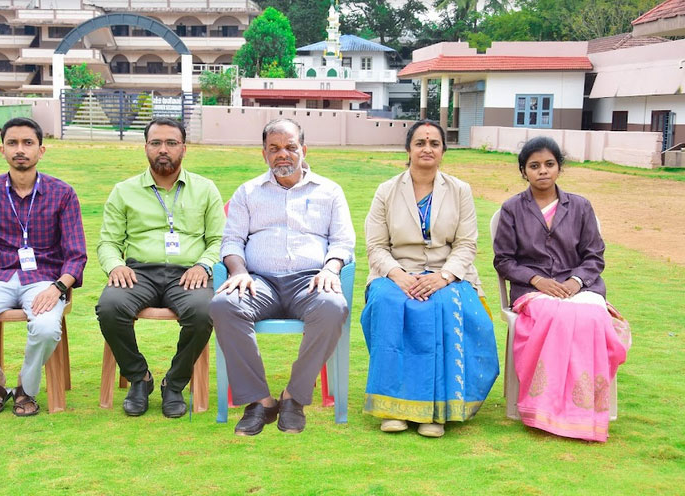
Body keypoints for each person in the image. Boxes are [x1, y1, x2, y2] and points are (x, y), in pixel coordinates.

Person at [209, 118, 355, 436]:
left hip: (311, 281)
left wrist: (331, 268)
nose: (282, 154)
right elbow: (231, 242)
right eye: (274, 148)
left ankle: (293, 398)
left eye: (290, 147)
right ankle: (259, 401)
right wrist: (239, 271)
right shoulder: (248, 192)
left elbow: (343, 242)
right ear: (264, 154)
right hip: (259, 282)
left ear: (304, 150)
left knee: (333, 307)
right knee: (223, 304)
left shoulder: (329, 191)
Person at [361, 119, 499, 438]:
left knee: (445, 307)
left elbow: (466, 244)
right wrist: (398, 276)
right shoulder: (387, 191)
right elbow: (376, 246)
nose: (427, 148)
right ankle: (393, 408)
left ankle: (439, 410)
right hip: (396, 272)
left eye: (434, 143)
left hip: (447, 273)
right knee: (387, 303)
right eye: (420, 143)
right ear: (408, 149)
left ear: (443, 151)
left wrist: (443, 277)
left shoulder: (459, 190)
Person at [0, 117, 87, 417]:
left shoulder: (62, 193)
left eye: (28, 143)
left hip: (45, 279)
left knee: (46, 328)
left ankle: (26, 387)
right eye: (12, 143)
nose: (20, 149)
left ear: (41, 150)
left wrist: (58, 288)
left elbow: (76, 255)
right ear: (2, 150)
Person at [493, 136, 629, 442]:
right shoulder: (512, 208)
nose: (542, 171)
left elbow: (594, 256)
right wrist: (537, 280)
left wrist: (575, 282)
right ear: (523, 171)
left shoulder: (580, 207)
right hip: (533, 290)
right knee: (556, 316)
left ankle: (584, 410)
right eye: (534, 166)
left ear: (559, 167)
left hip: (578, 286)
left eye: (549, 164)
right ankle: (545, 409)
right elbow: (504, 260)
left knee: (593, 318)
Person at [96, 118, 225, 418]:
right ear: (146, 148)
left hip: (189, 275)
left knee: (204, 311)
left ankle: (174, 383)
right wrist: (115, 266)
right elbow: (108, 243)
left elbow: (220, 240)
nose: (163, 149)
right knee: (110, 307)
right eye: (156, 143)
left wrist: (204, 265)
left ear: (184, 148)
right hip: (138, 273)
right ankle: (139, 377)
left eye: (171, 143)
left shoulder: (205, 189)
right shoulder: (124, 191)